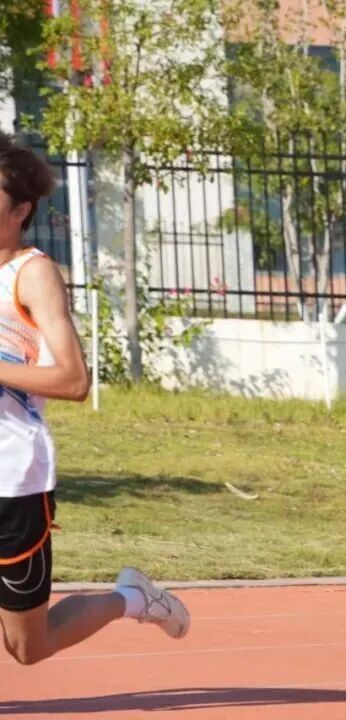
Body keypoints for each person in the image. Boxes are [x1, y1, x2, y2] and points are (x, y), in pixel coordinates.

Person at [0, 132, 189, 665]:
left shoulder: (31, 274)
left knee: (28, 647)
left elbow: (73, 380)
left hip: (12, 479)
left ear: (20, 209)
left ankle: (131, 599)